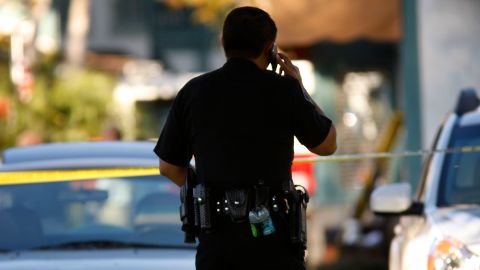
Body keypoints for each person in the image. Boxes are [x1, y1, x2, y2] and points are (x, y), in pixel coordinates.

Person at [153, 6, 336, 270]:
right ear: (270, 48)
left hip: (216, 245)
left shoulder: (193, 92)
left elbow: (168, 167)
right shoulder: (283, 90)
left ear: (223, 42)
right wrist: (300, 88)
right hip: (274, 243)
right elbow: (328, 144)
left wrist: (206, 186)